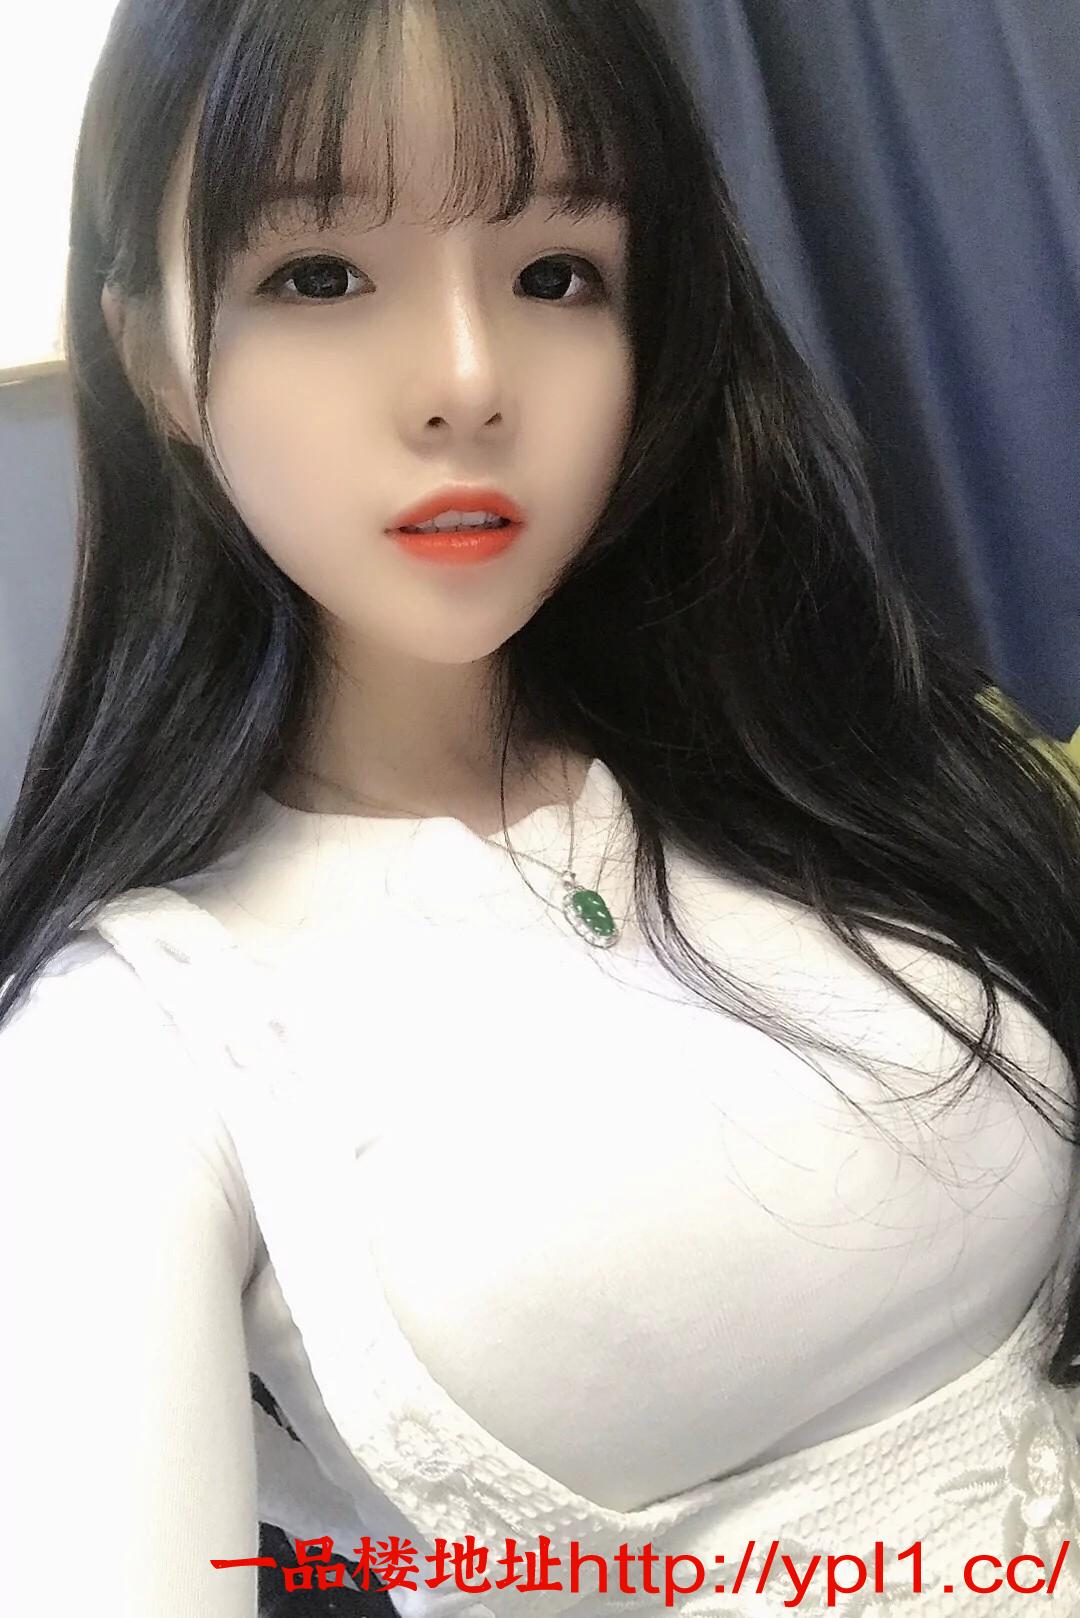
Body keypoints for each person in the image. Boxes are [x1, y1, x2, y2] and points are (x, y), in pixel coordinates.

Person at [2, 2, 1079, 1614]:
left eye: (556, 273)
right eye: (320, 276)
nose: (466, 380)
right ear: (154, 354)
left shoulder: (814, 760)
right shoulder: (129, 1049)